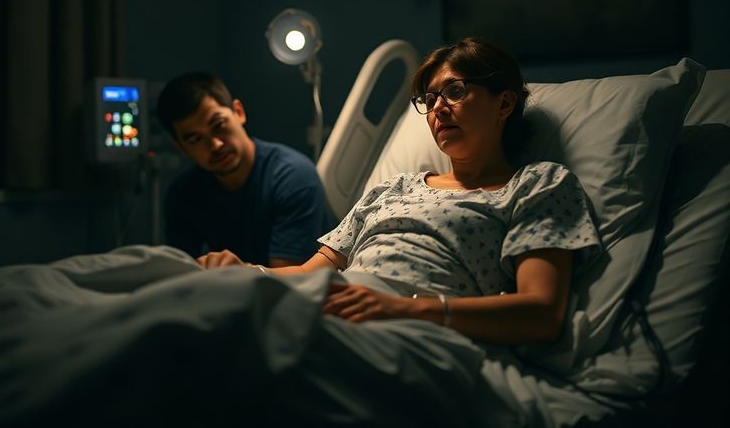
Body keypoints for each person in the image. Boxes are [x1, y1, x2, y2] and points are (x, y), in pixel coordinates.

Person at [197, 37, 602, 345]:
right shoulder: (395, 187)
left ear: (504, 104)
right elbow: (307, 274)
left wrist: (408, 309)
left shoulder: (537, 185)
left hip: (410, 329)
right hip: (333, 301)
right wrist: (251, 273)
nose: (439, 107)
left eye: (456, 91)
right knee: (158, 273)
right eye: (430, 98)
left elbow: (542, 312)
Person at [157, 72, 333, 267]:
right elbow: (181, 275)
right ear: (182, 148)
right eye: (195, 139)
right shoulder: (183, 194)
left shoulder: (293, 177)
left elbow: (289, 283)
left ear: (238, 112)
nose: (215, 144)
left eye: (218, 125)